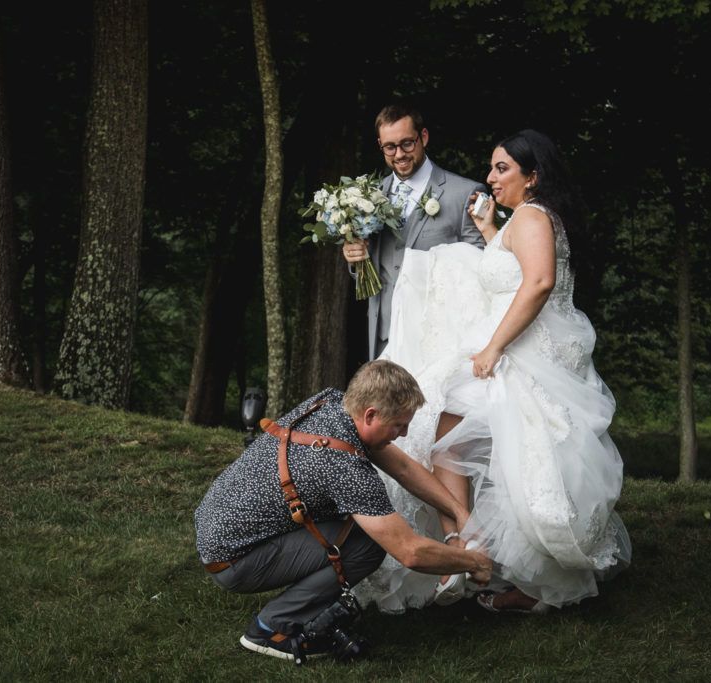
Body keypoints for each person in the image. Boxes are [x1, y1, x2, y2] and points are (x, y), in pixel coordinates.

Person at [353, 130, 631, 615]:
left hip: (526, 352)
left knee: (505, 452)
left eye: (502, 168)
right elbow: (514, 273)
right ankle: (469, 539)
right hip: (526, 347)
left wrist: (494, 347)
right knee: (466, 435)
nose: (490, 177)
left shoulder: (531, 215)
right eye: (492, 167)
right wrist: (487, 234)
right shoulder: (527, 219)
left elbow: (540, 282)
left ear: (533, 177)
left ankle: (504, 561)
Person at [194, 360, 492, 663]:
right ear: (371, 415)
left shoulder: (331, 402)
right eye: (399, 425)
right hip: (231, 561)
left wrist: (458, 511)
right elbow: (409, 552)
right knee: (367, 546)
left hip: (215, 530)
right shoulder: (344, 468)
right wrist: (473, 562)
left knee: (351, 526)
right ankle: (272, 627)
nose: (404, 434)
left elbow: (401, 467)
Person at [343, 102, 486, 360]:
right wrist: (355, 259)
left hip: (440, 338)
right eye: (390, 147)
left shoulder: (464, 193)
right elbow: (373, 270)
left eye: (407, 143)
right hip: (384, 334)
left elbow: (480, 271)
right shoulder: (367, 197)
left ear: (424, 137)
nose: (399, 154)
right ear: (380, 145)